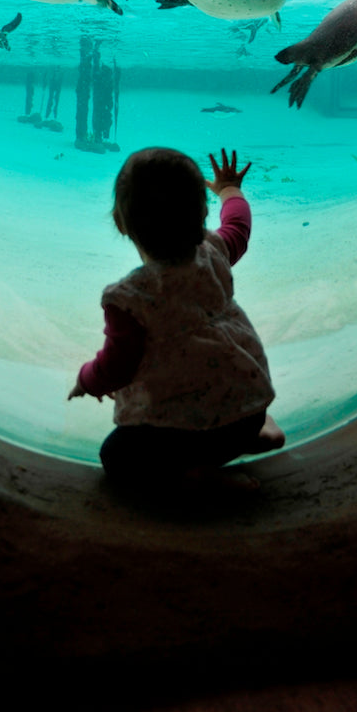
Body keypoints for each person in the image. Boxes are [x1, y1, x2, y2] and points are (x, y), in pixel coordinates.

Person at [68, 146, 285, 491]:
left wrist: (86, 381)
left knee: (116, 457)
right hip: (247, 412)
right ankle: (256, 434)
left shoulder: (129, 299)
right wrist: (229, 188)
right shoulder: (215, 251)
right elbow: (239, 225)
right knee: (229, 422)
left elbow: (117, 366)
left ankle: (196, 477)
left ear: (120, 222)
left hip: (180, 437)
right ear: (201, 214)